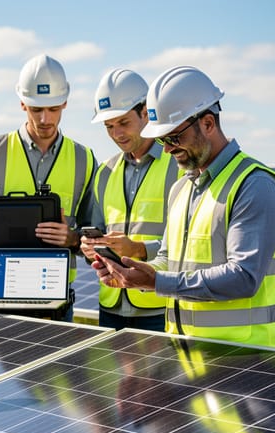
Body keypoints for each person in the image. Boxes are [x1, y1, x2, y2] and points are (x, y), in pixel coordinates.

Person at [91, 66, 275, 348]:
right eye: (161, 139)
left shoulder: (254, 185)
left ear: (208, 124)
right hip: (190, 356)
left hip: (249, 359)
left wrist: (158, 283)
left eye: (173, 137)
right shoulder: (182, 189)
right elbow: (168, 261)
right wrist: (135, 273)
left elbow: (244, 277)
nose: (166, 149)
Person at [0, 54, 96, 315]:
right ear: (22, 104)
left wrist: (73, 239)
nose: (45, 120)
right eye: (36, 109)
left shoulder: (83, 159)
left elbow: (94, 235)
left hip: (58, 307)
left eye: (53, 109)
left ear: (65, 102)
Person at [82, 68, 182, 331]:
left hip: (160, 307)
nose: (117, 134)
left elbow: (190, 245)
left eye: (123, 123)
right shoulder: (104, 173)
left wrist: (139, 249)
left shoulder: (179, 166)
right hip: (111, 306)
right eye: (109, 127)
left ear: (146, 112)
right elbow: (100, 235)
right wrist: (90, 247)